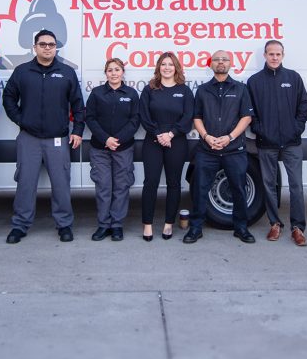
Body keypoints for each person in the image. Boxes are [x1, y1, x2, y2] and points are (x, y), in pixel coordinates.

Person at [3, 29, 85, 244]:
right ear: (35, 47)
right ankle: (20, 225)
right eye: (43, 44)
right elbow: (9, 98)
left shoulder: (66, 72)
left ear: (56, 47)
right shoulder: (22, 72)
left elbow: (78, 105)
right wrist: (21, 120)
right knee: (25, 183)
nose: (47, 47)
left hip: (57, 139)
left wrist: (77, 131)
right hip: (29, 138)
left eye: (51, 44)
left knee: (61, 184)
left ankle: (64, 225)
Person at [185, 50, 255, 244]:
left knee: (239, 189)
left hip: (234, 149)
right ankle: (196, 227)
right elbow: (196, 117)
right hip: (207, 150)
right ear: (211, 64)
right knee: (199, 189)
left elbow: (247, 117)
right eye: (217, 59)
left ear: (230, 63)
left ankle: (241, 228)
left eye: (224, 59)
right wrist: (206, 137)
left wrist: (229, 137)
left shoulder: (241, 88)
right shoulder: (202, 90)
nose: (221, 62)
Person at [248, 40, 307, 246]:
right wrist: (260, 130)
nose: (274, 57)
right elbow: (250, 112)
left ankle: (298, 227)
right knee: (269, 185)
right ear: (265, 56)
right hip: (266, 143)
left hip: (292, 142)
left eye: (278, 54)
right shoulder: (255, 81)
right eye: (271, 54)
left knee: (296, 186)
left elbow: (304, 104)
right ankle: (274, 223)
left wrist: (297, 128)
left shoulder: (293, 77)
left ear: (283, 56)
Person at [138, 52, 195, 241]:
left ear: (176, 67)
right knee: (150, 182)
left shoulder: (184, 91)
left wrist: (171, 134)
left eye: (171, 64)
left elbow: (188, 117)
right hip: (153, 140)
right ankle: (147, 225)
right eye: (164, 64)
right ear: (159, 67)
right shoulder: (150, 89)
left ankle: (168, 224)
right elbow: (144, 116)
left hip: (176, 141)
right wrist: (158, 134)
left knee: (173, 184)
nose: (167, 67)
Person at [85, 58, 140, 242]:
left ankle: (117, 225)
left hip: (123, 148)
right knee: (103, 187)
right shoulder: (97, 93)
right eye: (110, 70)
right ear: (105, 73)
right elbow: (90, 118)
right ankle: (103, 225)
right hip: (100, 149)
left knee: (121, 187)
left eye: (117, 69)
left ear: (123, 72)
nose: (114, 73)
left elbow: (135, 120)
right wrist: (106, 139)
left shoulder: (131, 94)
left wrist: (118, 139)